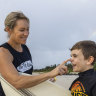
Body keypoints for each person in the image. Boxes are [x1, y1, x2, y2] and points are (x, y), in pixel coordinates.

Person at [0, 11, 69, 96]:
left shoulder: (25, 48)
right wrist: (49, 74)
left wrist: (47, 80)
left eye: (27, 29)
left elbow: (27, 76)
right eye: (22, 30)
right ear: (8, 30)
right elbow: (17, 82)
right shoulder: (3, 52)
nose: (26, 34)